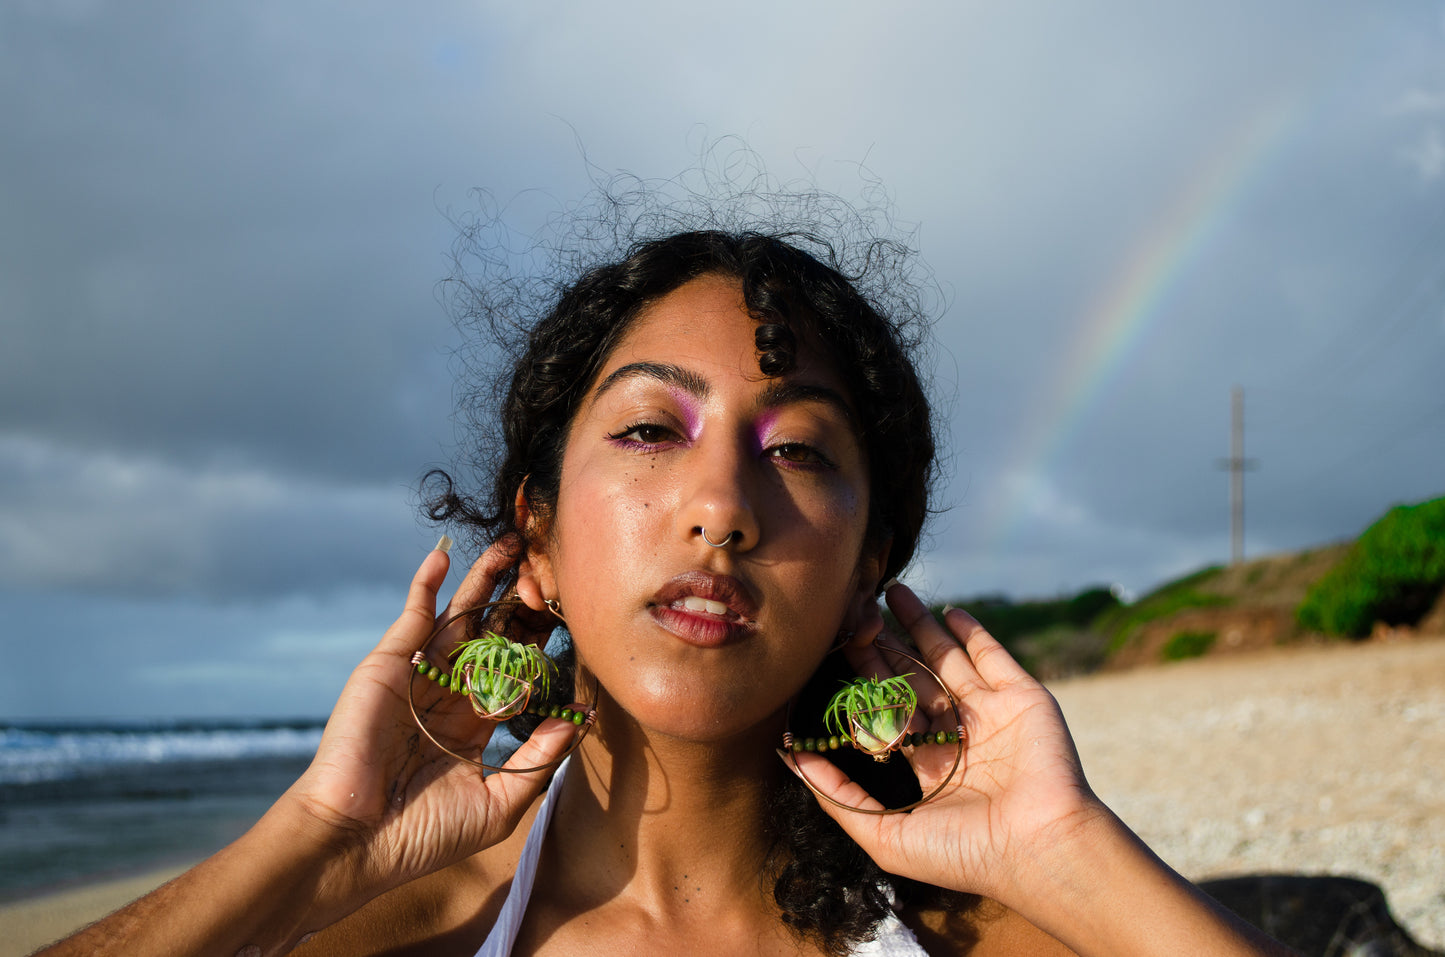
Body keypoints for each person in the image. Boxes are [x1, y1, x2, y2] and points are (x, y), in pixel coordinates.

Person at [38, 230, 1297, 957]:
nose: (719, 507)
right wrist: (312, 851)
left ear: (870, 565)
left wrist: (1066, 855)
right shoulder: (390, 929)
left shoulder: (981, 933)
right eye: (648, 431)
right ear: (532, 534)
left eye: (797, 449)